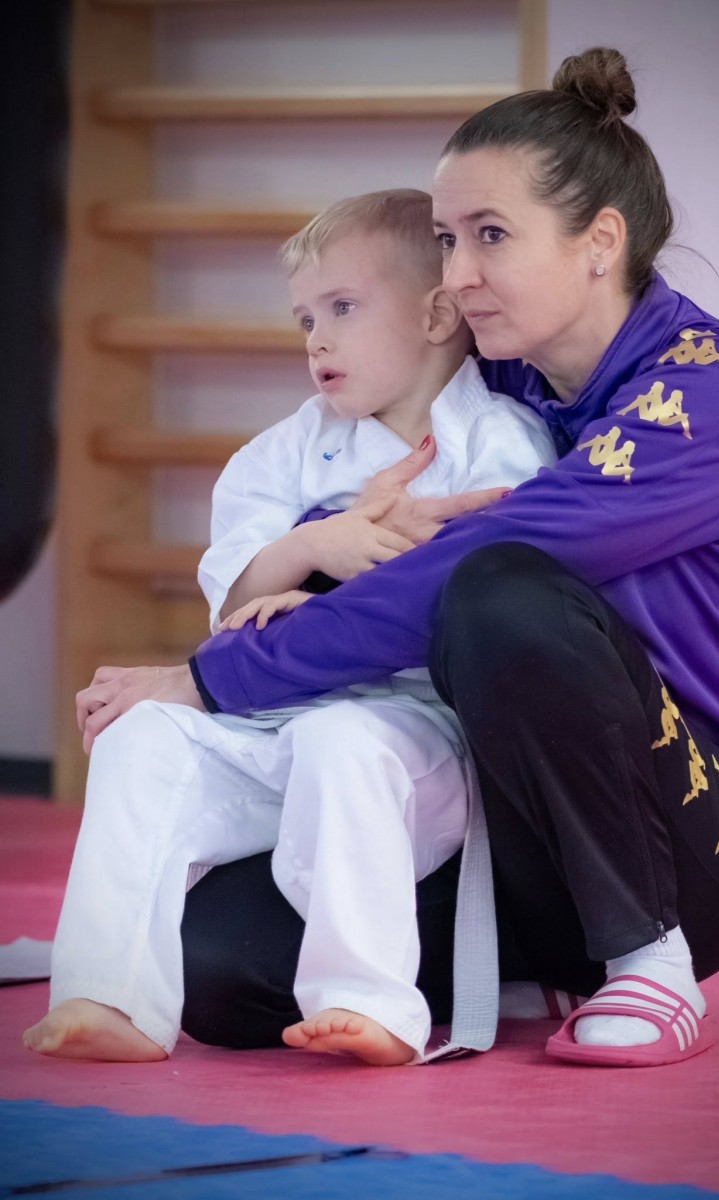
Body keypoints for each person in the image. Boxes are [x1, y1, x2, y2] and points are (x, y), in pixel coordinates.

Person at [60, 46, 719, 1068]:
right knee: (222, 969)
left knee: (501, 591)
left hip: (695, 849)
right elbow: (367, 530)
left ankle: (648, 961)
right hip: (503, 829)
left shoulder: (709, 396)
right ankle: (527, 979)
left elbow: (479, 563)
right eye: (449, 239)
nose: (456, 276)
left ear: (600, 241)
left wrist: (207, 679)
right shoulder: (500, 381)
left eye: (490, 236)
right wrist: (323, 550)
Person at [22, 189, 556, 1067]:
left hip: (416, 739)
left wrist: (335, 599)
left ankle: (367, 1001)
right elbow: (233, 599)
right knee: (140, 736)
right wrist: (316, 545)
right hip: (275, 719)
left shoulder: (502, 443)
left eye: (343, 308)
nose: (316, 339)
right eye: (306, 318)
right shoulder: (281, 453)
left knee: (342, 741)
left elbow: (497, 603)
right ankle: (112, 995)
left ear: (435, 316)